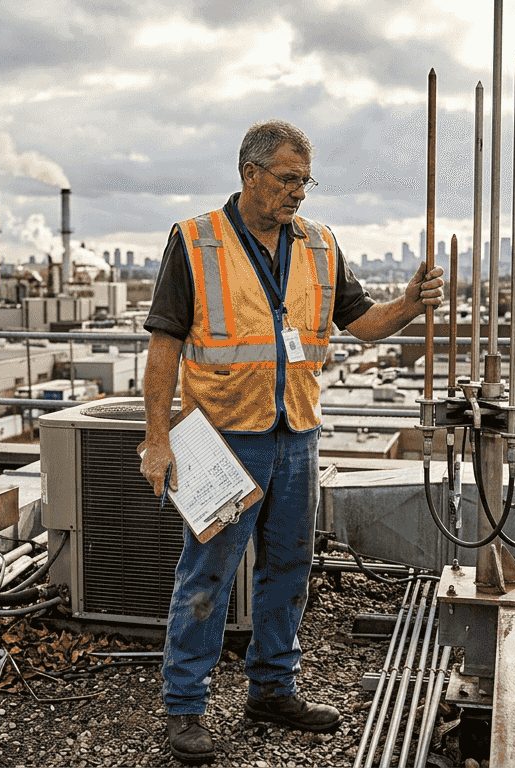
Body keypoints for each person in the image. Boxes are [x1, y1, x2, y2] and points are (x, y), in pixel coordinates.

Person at [140, 119, 445, 765]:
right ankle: (185, 709)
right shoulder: (196, 241)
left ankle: (273, 690)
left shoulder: (320, 244)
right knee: (207, 578)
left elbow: (362, 324)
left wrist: (412, 303)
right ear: (250, 175)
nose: (299, 193)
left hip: (296, 434)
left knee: (289, 570)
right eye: (288, 179)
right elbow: (163, 345)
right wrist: (157, 440)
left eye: (305, 181)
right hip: (220, 439)